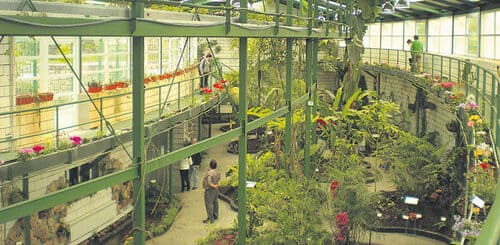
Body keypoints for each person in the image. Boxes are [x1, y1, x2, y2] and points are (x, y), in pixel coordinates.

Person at [202, 159, 221, 224]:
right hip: (216, 190)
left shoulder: (209, 173)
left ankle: (210, 218)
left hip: (210, 190)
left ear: (210, 165)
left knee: (209, 204)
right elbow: (219, 179)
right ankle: (216, 215)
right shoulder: (217, 172)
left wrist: (213, 185)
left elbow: (209, 182)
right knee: (215, 202)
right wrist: (216, 185)